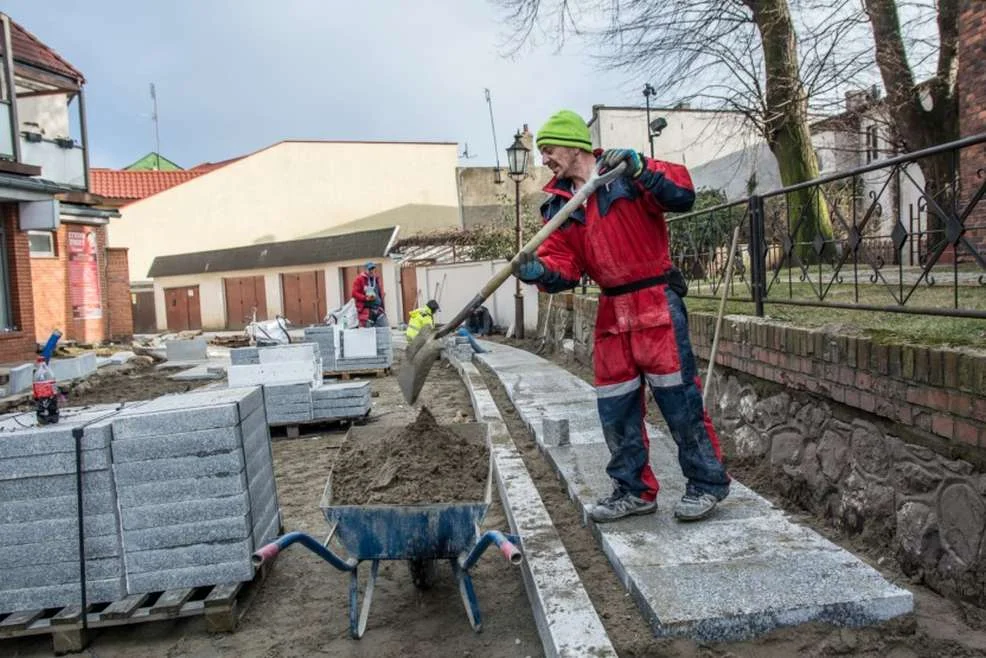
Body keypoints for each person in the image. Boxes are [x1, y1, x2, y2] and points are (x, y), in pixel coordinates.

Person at [513, 109, 730, 524]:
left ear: (574, 145)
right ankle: (634, 490)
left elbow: (682, 194)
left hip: (655, 302)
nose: (544, 159)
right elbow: (565, 266)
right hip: (612, 311)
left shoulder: (624, 174)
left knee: (680, 402)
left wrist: (645, 168)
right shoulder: (558, 207)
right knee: (615, 408)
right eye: (541, 152)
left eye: (548, 149)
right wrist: (540, 272)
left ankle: (707, 483)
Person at [351, 262, 388, 327]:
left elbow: (378, 291)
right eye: (370, 269)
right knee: (368, 332)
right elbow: (354, 293)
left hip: (378, 309)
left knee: (385, 328)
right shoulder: (359, 279)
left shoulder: (376, 279)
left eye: (373, 269)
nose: (371, 271)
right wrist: (365, 298)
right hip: (367, 311)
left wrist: (382, 296)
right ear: (365, 270)